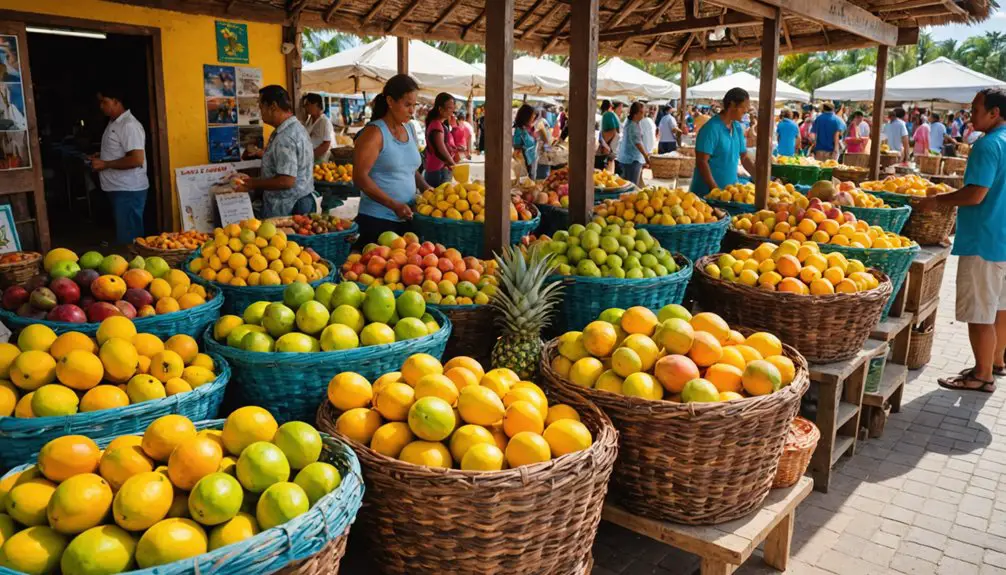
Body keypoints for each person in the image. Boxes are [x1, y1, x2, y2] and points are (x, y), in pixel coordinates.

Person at [918, 88, 1006, 392]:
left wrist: (937, 200)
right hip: (1002, 238)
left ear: (995, 113)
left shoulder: (988, 145)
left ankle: (982, 376)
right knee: (999, 307)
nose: (971, 114)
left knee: (980, 312)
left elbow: (975, 193)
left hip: (984, 239)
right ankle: (995, 362)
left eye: (977, 109)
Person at [353, 74, 432, 247]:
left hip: (407, 219)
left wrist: (426, 188)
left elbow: (410, 169)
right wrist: (393, 205)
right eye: (407, 104)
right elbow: (360, 177)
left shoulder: (410, 129)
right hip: (377, 220)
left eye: (414, 105)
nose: (412, 111)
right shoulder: (374, 133)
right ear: (390, 101)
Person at [233, 86, 315, 218]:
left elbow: (286, 181)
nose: (261, 113)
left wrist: (252, 184)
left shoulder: (285, 137)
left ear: (273, 107)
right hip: (299, 201)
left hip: (290, 207)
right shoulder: (295, 128)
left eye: (261, 108)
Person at [91, 86, 148, 244]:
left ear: (116, 102)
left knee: (130, 240)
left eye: (104, 102)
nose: (101, 106)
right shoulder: (114, 123)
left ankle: (134, 267)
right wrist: (101, 156)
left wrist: (106, 163)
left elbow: (137, 159)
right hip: (119, 189)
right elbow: (121, 150)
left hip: (128, 190)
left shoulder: (129, 125)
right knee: (125, 234)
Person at [691, 88, 754, 197]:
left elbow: (744, 157)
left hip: (729, 193)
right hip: (706, 195)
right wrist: (715, 190)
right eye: (744, 107)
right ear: (733, 105)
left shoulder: (737, 128)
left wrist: (761, 179)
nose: (746, 111)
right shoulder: (711, 128)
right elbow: (702, 162)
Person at [423, 92, 456, 187]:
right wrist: (452, 163)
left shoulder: (438, 124)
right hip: (438, 170)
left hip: (437, 169)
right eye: (450, 108)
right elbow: (440, 148)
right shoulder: (436, 125)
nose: (452, 111)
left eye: (453, 108)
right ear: (440, 109)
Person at [618, 102, 650, 186]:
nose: (643, 115)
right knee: (631, 185)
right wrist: (646, 156)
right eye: (642, 113)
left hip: (627, 158)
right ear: (637, 113)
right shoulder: (632, 126)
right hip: (632, 160)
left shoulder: (630, 122)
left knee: (627, 184)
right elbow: (638, 143)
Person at [301, 93, 334, 163]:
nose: (306, 108)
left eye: (307, 104)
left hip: (321, 159)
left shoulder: (324, 121)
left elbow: (326, 144)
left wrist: (310, 156)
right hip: (311, 157)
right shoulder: (309, 120)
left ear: (316, 105)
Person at [512, 104, 538, 179]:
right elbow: (516, 148)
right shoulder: (518, 130)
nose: (533, 118)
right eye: (532, 116)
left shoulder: (528, 128)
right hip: (524, 165)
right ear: (526, 116)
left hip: (530, 162)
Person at [600, 100, 623, 172]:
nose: (621, 110)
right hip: (611, 147)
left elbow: (614, 130)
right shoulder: (608, 115)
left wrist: (605, 145)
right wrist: (606, 145)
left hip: (611, 147)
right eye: (621, 108)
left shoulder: (608, 115)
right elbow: (614, 130)